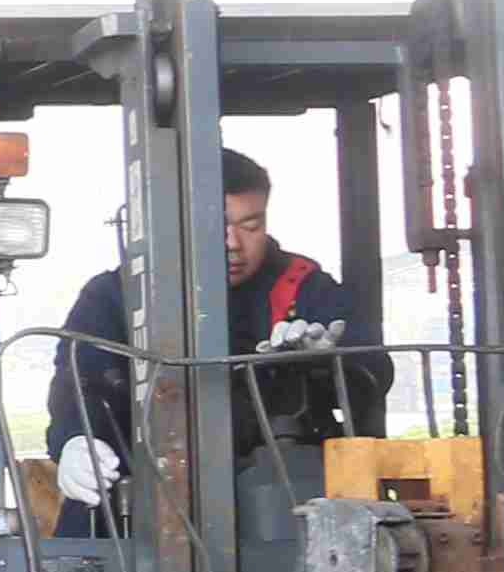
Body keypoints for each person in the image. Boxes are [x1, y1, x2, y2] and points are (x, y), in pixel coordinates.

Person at [47, 146, 366, 526]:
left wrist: (329, 363)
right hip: (137, 495)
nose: (233, 243)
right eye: (216, 225)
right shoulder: (115, 295)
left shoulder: (305, 286)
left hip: (280, 495)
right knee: (89, 526)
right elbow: (77, 380)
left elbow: (372, 373)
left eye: (251, 226)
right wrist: (74, 439)